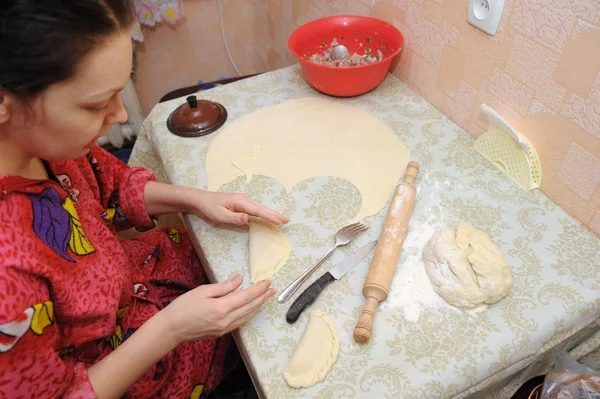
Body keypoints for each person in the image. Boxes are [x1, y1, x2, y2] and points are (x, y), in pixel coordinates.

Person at [0, 1, 289, 398]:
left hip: (146, 282)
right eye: (97, 104)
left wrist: (194, 199)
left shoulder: (46, 142)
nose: (120, 115)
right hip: (131, 369)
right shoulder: (7, 278)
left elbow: (111, 185)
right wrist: (171, 329)